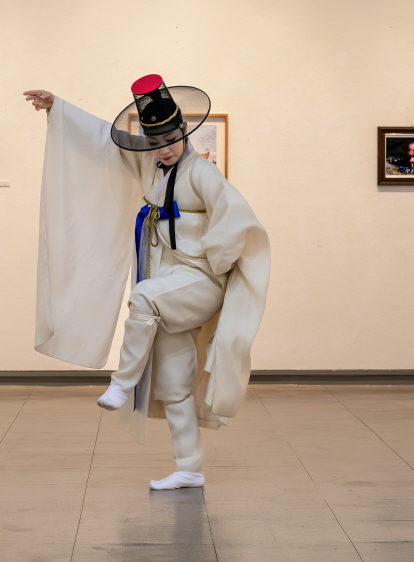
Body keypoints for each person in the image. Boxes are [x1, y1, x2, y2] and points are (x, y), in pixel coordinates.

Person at [24, 76, 270, 490]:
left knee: (142, 296)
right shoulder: (150, 165)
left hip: (200, 281)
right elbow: (106, 140)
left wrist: (216, 262)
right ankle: (189, 468)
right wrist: (57, 107)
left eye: (171, 139)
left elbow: (239, 222)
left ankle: (121, 382)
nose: (165, 148)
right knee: (175, 386)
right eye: (155, 142)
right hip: (171, 286)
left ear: (184, 131)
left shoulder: (203, 174)